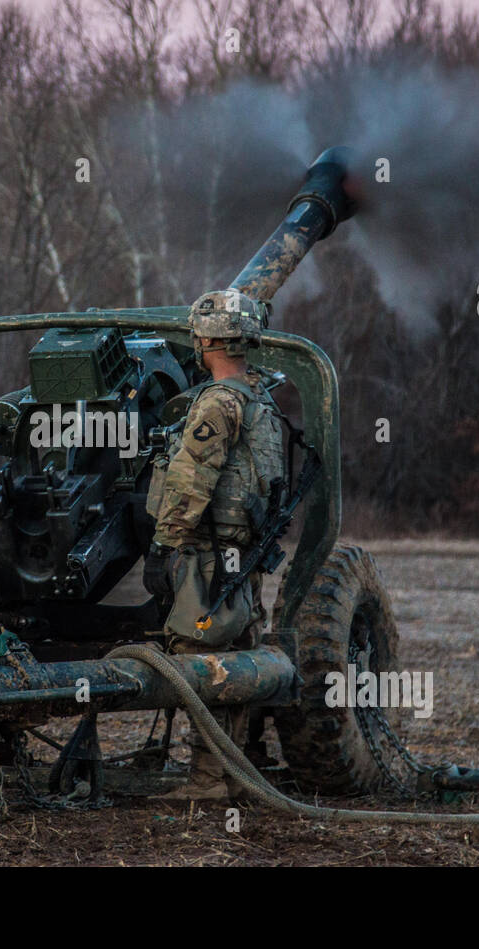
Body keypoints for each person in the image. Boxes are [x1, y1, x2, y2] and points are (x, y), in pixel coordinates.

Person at [143, 289, 286, 801]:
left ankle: (207, 782)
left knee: (200, 663)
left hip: (206, 559)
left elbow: (190, 480)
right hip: (243, 557)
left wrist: (163, 547)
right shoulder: (261, 398)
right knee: (239, 662)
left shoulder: (219, 402)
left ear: (206, 339)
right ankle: (233, 777)